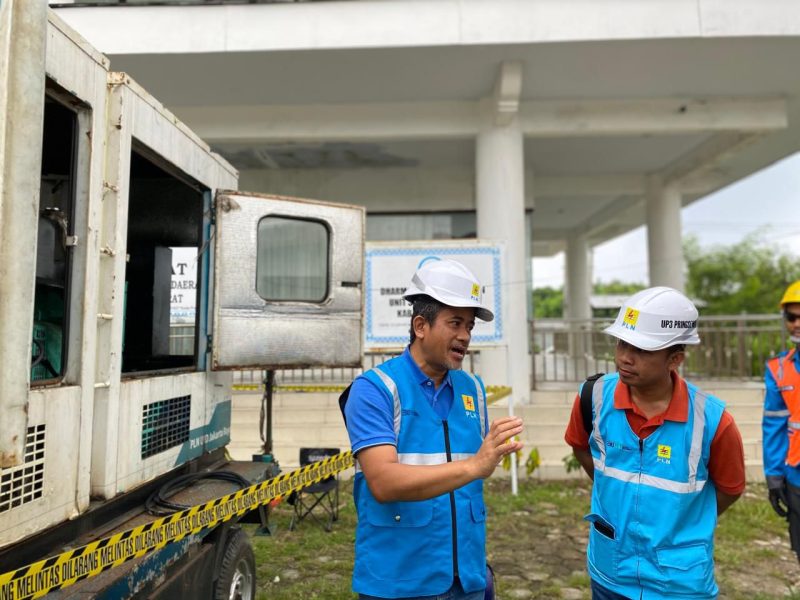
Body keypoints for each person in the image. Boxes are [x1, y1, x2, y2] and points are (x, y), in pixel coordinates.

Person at [344, 258, 523, 600]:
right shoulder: (374, 389)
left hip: (466, 579)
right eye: (455, 323)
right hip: (400, 582)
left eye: (470, 326)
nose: (465, 336)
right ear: (421, 325)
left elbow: (466, 479)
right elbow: (382, 482)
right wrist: (475, 465)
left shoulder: (473, 389)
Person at [564, 286, 745, 599]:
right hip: (610, 573)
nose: (624, 357)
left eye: (641, 349)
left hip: (679, 586)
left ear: (675, 358)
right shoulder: (592, 397)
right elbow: (580, 446)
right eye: (622, 343)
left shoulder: (713, 421)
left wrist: (683, 521)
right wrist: (618, 491)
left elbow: (731, 489)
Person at [763, 280, 800, 560]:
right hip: (796, 477)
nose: (797, 323)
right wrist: (774, 475)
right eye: (791, 317)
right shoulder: (778, 369)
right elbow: (774, 426)